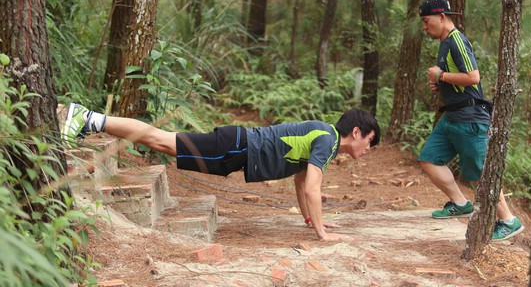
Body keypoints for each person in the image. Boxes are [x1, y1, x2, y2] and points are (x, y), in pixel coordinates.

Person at [61, 104, 380, 241]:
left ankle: (90, 120)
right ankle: (89, 118)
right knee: (162, 140)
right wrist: (323, 233)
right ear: (357, 132)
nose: (368, 150)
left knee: (162, 142)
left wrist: (311, 221)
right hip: (237, 146)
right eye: (370, 142)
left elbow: (300, 182)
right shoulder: (327, 140)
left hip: (237, 149)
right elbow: (311, 188)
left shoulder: (326, 138)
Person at [417, 0, 524, 241]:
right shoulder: (444, 43)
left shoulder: (457, 41)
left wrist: (441, 76)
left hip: (470, 119)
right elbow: (458, 79)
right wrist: (441, 84)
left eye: (426, 20)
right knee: (429, 159)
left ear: (442, 17)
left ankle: (509, 220)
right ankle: (459, 203)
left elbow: (473, 77)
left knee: (480, 173)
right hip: (452, 117)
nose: (424, 26)